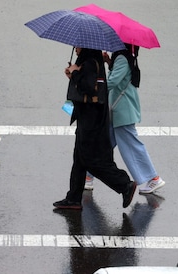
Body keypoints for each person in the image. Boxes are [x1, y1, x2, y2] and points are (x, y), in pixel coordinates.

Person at [53, 47, 137, 211]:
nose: (75, 48)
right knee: (79, 158)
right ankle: (73, 198)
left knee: (90, 160)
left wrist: (76, 73)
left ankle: (124, 184)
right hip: (88, 116)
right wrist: (73, 74)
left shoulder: (90, 61)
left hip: (91, 119)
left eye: (77, 45)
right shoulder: (91, 58)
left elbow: (90, 88)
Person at [85, 44, 165, 195]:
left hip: (122, 109)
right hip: (118, 109)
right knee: (103, 144)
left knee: (131, 145)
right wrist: (109, 62)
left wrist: (91, 89)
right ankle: (88, 176)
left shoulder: (121, 57)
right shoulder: (124, 55)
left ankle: (153, 178)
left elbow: (113, 81)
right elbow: (121, 76)